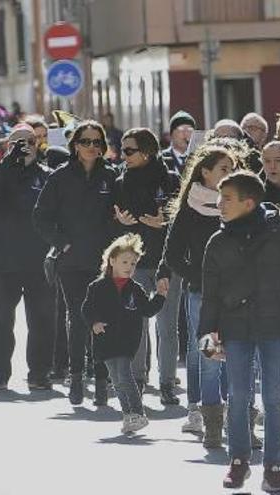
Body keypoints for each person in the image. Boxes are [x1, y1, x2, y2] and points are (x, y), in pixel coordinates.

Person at [198, 171, 280, 492]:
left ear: (249, 202)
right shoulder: (217, 242)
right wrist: (207, 340)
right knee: (239, 395)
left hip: (273, 327)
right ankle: (239, 461)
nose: (219, 204)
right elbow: (210, 298)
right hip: (236, 329)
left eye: (226, 198)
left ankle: (273, 466)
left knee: (273, 398)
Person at [34, 120, 119, 405]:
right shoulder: (60, 177)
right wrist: (62, 243)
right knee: (78, 318)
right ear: (75, 144)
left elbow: (118, 216)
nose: (91, 147)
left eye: (97, 142)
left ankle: (102, 380)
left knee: (102, 319)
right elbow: (41, 216)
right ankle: (77, 378)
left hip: (103, 260)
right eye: (86, 142)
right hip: (71, 261)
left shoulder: (111, 176)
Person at [163, 145, 237, 443]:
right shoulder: (189, 211)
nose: (228, 175)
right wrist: (200, 277)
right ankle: (205, 415)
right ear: (205, 172)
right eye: (223, 169)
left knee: (237, 356)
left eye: (232, 169)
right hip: (202, 298)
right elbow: (173, 255)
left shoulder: (240, 205)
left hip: (239, 298)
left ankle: (237, 413)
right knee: (207, 355)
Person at [0, 123, 55, 392]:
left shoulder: (46, 175)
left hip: (37, 262)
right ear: (7, 147)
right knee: (1, 319)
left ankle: (39, 372)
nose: (24, 148)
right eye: (16, 143)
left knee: (42, 319)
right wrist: (9, 161)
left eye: (30, 142)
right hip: (3, 263)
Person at [111, 127, 181, 402]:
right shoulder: (120, 182)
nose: (124, 155)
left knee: (167, 326)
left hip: (166, 261)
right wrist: (120, 222)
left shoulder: (172, 179)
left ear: (147, 151)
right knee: (136, 322)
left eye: (130, 150)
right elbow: (110, 223)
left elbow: (183, 219)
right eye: (122, 149)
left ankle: (167, 384)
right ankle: (138, 379)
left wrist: (165, 220)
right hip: (134, 264)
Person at [82, 233, 168, 434]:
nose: (129, 267)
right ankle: (128, 415)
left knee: (125, 375)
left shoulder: (135, 289)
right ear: (112, 261)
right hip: (105, 340)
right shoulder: (97, 287)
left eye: (133, 263)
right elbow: (86, 309)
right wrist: (93, 323)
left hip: (127, 340)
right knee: (117, 380)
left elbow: (147, 310)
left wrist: (161, 297)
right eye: (125, 262)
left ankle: (138, 413)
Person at [162, 110, 196, 175]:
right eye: (181, 130)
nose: (186, 134)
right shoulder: (162, 158)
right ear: (171, 134)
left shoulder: (199, 157)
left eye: (190, 130)